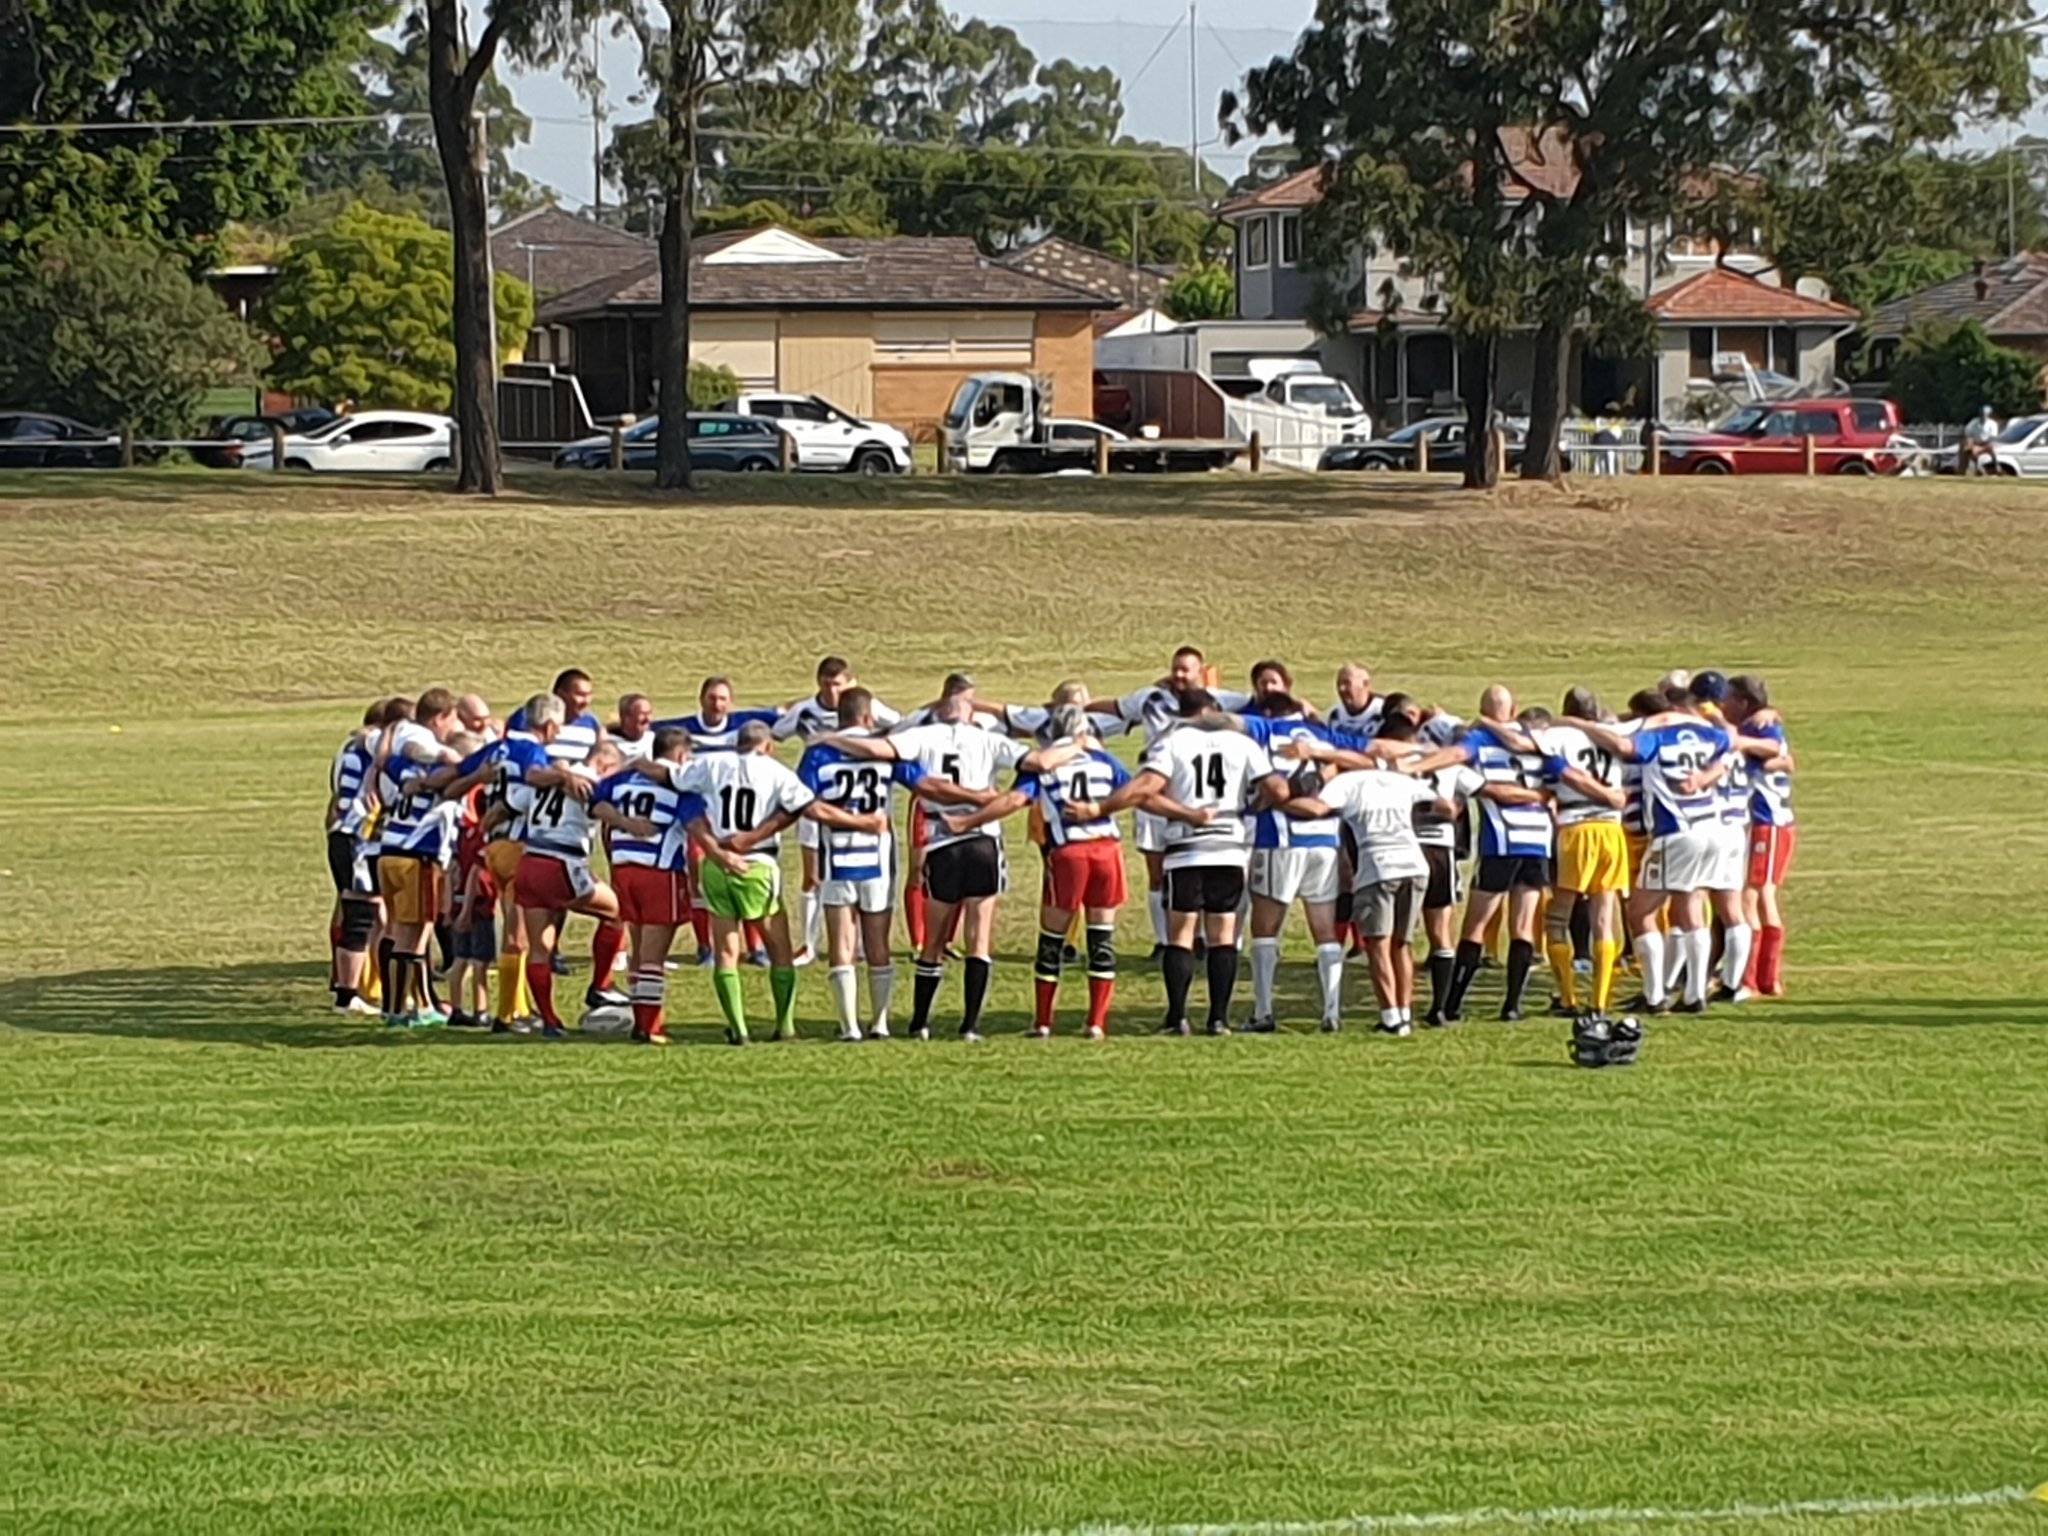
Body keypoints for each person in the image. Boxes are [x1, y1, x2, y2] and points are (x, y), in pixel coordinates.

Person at [827, 678, 1031, 1042]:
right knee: (978, 938)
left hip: (941, 841)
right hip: (984, 840)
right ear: (969, 712)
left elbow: (882, 749)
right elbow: (1031, 761)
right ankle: (970, 1026)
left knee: (933, 939)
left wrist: (829, 739)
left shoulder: (923, 736)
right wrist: (1002, 796)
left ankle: (920, 1022)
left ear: (940, 708)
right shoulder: (988, 738)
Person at [1100, 688, 1291, 1037]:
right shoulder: (1243, 744)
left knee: (1181, 935)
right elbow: (1279, 791)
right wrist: (1256, 804)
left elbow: (1144, 789)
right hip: (1229, 847)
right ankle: (1218, 1018)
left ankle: (1177, 1017)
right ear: (1214, 710)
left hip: (1186, 848)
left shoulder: (1173, 742)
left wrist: (1100, 809)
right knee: (1223, 936)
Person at [797, 687, 977, 1041]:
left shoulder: (819, 752)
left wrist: (847, 821)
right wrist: (976, 797)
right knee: (877, 940)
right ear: (868, 717)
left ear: (840, 717)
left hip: (836, 857)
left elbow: (805, 804)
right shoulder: (885, 752)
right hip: (877, 858)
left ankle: (849, 1027)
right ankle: (879, 1023)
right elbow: (926, 785)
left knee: (841, 941)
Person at [944, 703, 1130, 1039]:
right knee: (1102, 936)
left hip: (1070, 853)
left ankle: (1044, 1022)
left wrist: (968, 821)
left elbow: (1015, 801)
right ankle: (1096, 1023)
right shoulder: (1103, 760)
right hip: (1108, 850)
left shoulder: (1043, 765)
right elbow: (1134, 788)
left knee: (1052, 939)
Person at [1399, 686, 1558, 1023]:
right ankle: (1512, 1004)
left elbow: (1456, 758)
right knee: (1523, 925)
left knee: (1475, 926)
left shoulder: (1481, 739)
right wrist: (1538, 795)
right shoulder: (1538, 740)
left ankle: (1453, 1003)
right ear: (1514, 709)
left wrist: (1416, 766)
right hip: (1538, 838)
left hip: (1503, 839)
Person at [1087, 648, 1252, 956]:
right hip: (1155, 791)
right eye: (1176, 669)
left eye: (1186, 670)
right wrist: (1079, 705)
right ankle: (1165, 940)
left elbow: (1258, 703)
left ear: (1200, 671)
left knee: (1200, 864)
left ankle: (1201, 937)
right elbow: (1117, 708)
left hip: (1192, 792)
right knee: (1157, 869)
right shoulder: (1151, 697)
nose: (1179, 675)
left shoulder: (1220, 700)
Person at [1285, 761, 1457, 1035]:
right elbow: (1448, 807)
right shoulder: (1400, 780)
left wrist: (1280, 802)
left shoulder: (1346, 783)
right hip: (1414, 864)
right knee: (1403, 944)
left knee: (1378, 945)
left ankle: (1390, 1019)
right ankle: (1404, 1013)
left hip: (1378, 866)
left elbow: (1317, 809)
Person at [1230, 672, 1346, 1033]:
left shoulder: (1262, 731)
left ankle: (1263, 1011)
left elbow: (1228, 722)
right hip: (1325, 841)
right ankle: (1332, 1012)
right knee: (1325, 929)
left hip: (1280, 841)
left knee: (1265, 927)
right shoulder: (1323, 737)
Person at [775, 657, 902, 969]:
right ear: (818, 683)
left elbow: (899, 726)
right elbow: (777, 733)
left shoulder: (867, 706)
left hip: (860, 800)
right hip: (817, 799)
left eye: (839, 685)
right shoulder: (805, 710)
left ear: (851, 684)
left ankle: (856, 941)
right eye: (828, 684)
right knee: (813, 874)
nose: (833, 691)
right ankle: (809, 943)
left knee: (863, 879)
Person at [592, 727, 704, 1045]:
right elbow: (695, 826)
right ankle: (648, 1027)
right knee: (653, 955)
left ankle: (641, 1017)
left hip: (624, 870)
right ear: (681, 756)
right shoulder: (682, 785)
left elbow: (596, 803)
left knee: (639, 952)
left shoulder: (624, 780)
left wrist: (624, 823)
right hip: (659, 871)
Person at [371, 688, 463, 1027]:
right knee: (415, 934)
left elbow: (382, 759)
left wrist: (392, 731)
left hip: (388, 853)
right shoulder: (438, 768)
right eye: (451, 720)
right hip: (417, 857)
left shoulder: (403, 766)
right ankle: (404, 1011)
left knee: (397, 930)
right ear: (440, 718)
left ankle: (401, 1005)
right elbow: (456, 766)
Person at [1726, 674, 1796, 996]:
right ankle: (1766, 979)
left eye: (1729, 699)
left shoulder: (1760, 729)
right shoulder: (1760, 724)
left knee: (1751, 897)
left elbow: (1776, 755)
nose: (1723, 704)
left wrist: (1742, 743)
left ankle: (1753, 979)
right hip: (1770, 825)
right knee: (1762, 897)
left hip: (1768, 824)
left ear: (1744, 703)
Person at [325, 699, 386, 1015]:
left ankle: (360, 986)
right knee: (361, 913)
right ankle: (349, 992)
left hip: (345, 834)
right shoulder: (369, 749)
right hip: (358, 838)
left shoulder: (347, 750)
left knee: (369, 913)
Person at [506, 669, 604, 763]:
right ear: (560, 694)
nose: (586, 701)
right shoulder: (528, 715)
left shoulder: (592, 723)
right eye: (580, 695)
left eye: (589, 695)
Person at [612, 693, 657, 760]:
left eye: (649, 713)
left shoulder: (652, 739)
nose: (648, 719)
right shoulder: (611, 744)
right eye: (643, 714)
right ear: (626, 717)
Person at [1961, 404, 1999, 475]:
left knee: (1993, 450)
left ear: (1988, 415)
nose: (1982, 416)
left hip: (1988, 444)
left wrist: (1987, 444)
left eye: (1984, 415)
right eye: (1981, 414)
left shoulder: (1993, 424)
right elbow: (1968, 433)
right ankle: (1977, 468)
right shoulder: (1974, 422)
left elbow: (1993, 437)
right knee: (1972, 452)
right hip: (1977, 443)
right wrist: (1969, 444)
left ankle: (1996, 466)